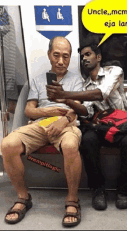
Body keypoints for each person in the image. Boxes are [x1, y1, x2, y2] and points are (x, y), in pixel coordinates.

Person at [1, 36, 83, 227]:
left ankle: (72, 200)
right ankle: (23, 197)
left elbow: (77, 109)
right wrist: (47, 111)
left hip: (66, 123)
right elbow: (29, 110)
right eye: (56, 55)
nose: (61, 61)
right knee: (7, 144)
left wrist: (62, 120)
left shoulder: (76, 80)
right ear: (48, 55)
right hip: (39, 123)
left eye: (66, 56)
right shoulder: (38, 81)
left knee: (71, 145)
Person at [46, 40, 127, 210]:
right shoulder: (84, 85)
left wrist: (65, 93)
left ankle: (124, 191)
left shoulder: (115, 71)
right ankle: (98, 190)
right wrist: (66, 100)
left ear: (99, 56)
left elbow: (101, 94)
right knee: (87, 139)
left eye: (88, 55)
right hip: (103, 126)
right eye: (82, 57)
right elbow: (87, 112)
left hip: (123, 125)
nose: (84, 59)